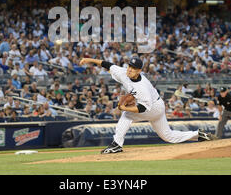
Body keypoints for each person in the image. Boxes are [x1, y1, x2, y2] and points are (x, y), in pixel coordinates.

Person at [79, 57, 217, 154]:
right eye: (129, 66)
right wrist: (89, 60)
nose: (130, 69)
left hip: (154, 107)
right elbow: (107, 64)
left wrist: (124, 108)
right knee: (168, 136)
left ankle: (116, 145)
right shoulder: (123, 72)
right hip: (157, 104)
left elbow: (142, 109)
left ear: (139, 71)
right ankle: (199, 135)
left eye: (133, 68)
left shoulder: (142, 86)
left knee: (127, 115)